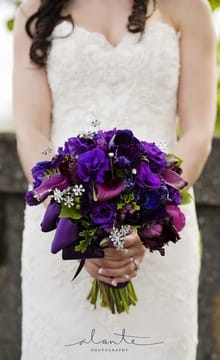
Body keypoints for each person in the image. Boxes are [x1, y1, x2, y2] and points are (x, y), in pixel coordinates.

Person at [13, 0, 217, 359]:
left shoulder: (188, 7)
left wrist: (153, 213)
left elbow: (198, 132)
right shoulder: (36, 10)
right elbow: (31, 133)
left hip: (160, 229)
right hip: (62, 226)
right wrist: (76, 221)